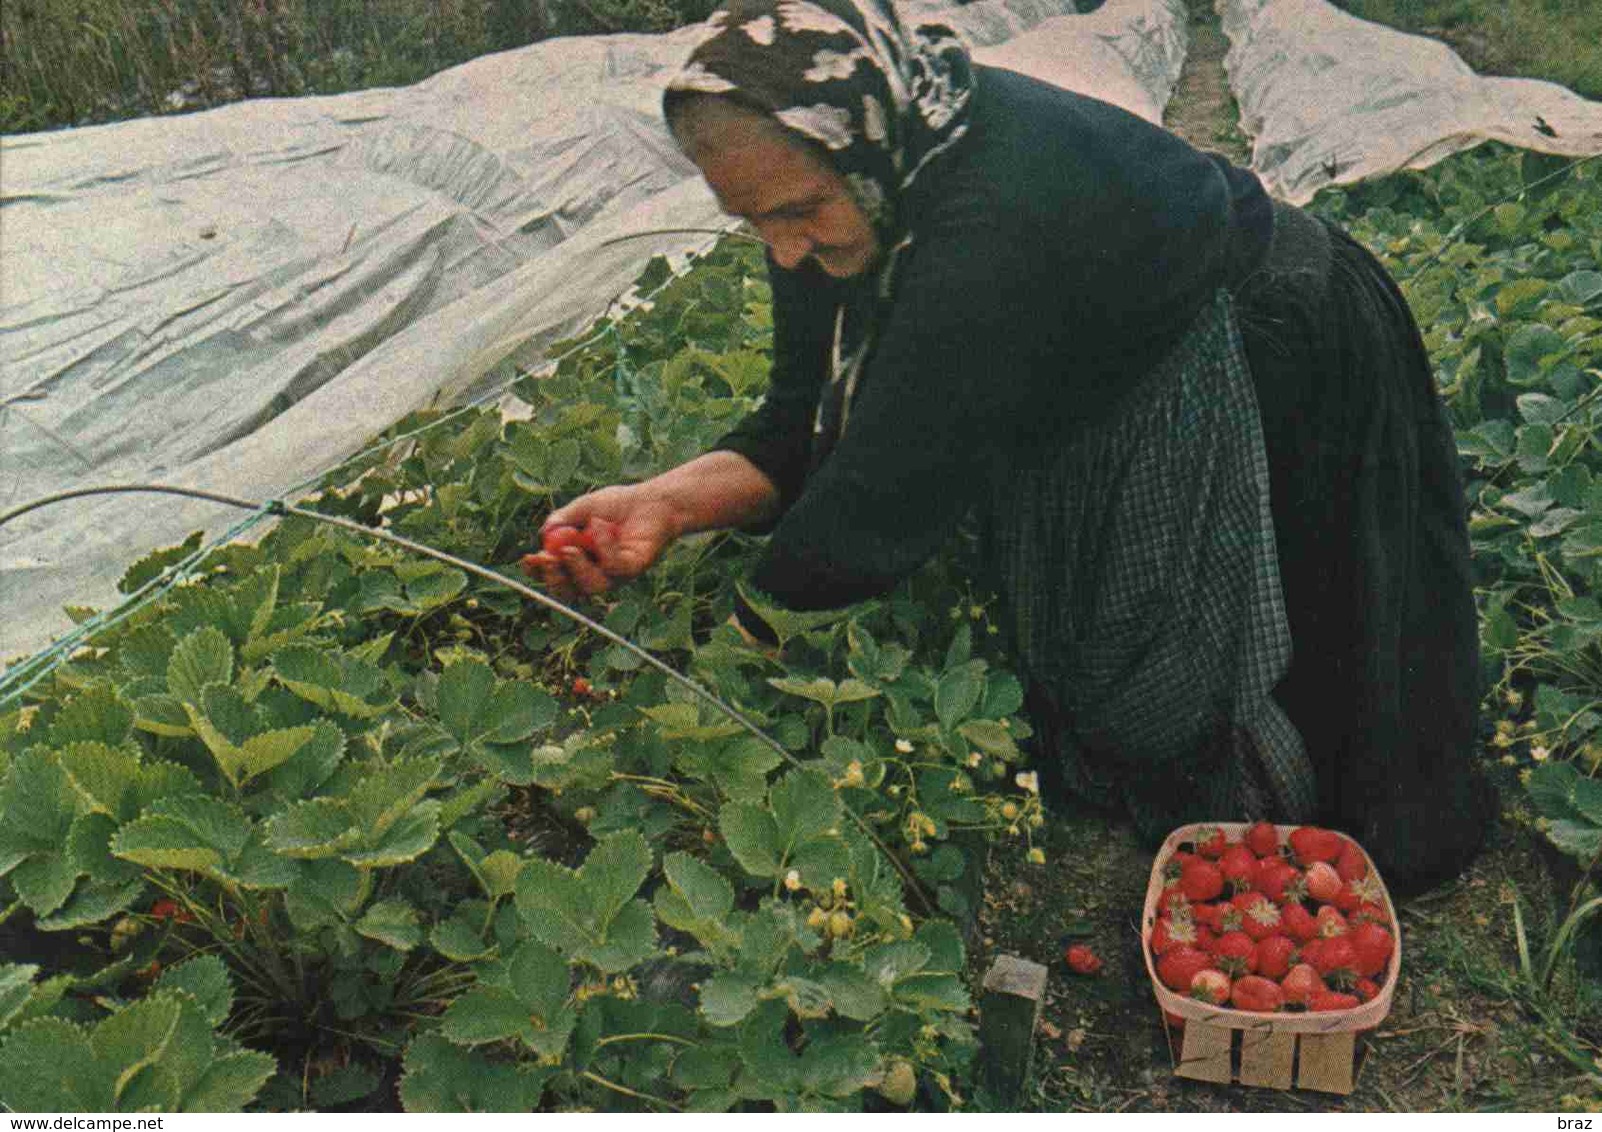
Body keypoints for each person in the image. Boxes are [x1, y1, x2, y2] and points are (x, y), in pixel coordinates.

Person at [524, 0, 1497, 895]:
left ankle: (1312, 814)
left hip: (1273, 334)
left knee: (1294, 642)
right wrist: (666, 502)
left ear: (858, 146)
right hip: (1109, 350)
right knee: (1109, 646)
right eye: (752, 221)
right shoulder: (841, 184)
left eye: (796, 214)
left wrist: (724, 668)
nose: (781, 250)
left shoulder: (988, 209)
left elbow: (883, 489)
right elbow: (800, 422)